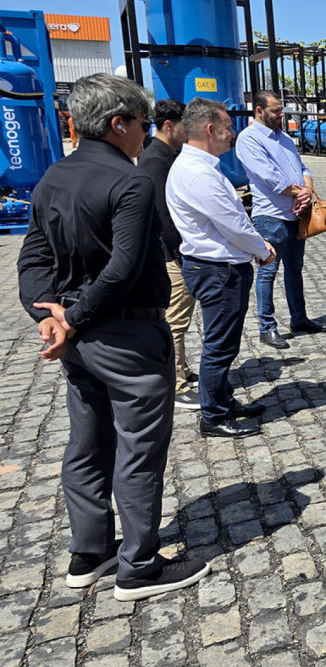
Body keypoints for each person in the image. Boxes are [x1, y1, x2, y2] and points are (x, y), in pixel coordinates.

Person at [17, 73, 211, 601]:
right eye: (143, 124)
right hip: (126, 333)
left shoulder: (52, 177)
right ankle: (139, 566)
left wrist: (49, 314)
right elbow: (125, 266)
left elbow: (33, 260)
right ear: (117, 123)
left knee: (88, 440)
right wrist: (70, 316)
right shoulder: (131, 182)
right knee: (138, 450)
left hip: (80, 342)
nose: (147, 135)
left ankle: (90, 550)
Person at [167, 98, 275, 440]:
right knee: (219, 346)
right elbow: (232, 223)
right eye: (228, 127)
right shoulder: (197, 172)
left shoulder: (202, 166)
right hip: (217, 269)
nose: (233, 134)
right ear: (210, 130)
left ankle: (223, 401)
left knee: (224, 343)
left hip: (219, 267)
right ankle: (213, 416)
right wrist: (261, 250)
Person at [236, 90, 326, 349]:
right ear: (259, 110)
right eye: (275, 111)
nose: (280, 115)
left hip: (296, 215)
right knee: (268, 272)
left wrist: (307, 191)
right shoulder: (249, 139)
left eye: (281, 111)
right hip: (271, 217)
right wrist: (300, 192)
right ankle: (267, 327)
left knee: (295, 269)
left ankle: (298, 318)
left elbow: (303, 169)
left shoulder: (285, 138)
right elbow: (269, 177)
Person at [139, 98, 199, 410]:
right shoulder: (155, 161)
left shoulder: (166, 155)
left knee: (181, 317)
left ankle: (183, 368)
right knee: (175, 320)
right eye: (184, 128)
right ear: (168, 126)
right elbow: (163, 215)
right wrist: (179, 252)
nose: (188, 134)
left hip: (172, 251)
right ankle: (176, 384)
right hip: (169, 254)